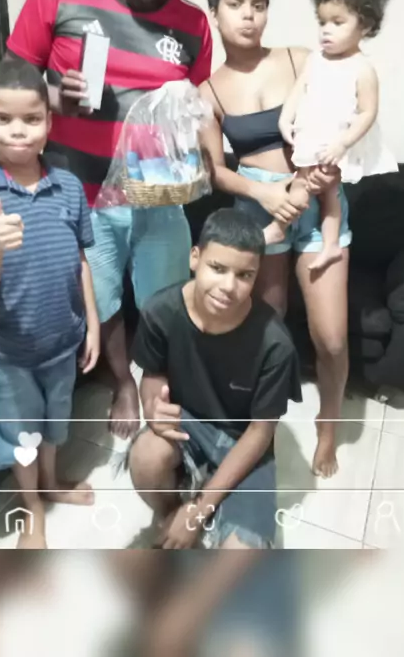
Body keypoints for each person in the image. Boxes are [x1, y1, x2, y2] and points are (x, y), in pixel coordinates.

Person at [5, 0, 212, 440]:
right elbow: (8, 85)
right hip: (81, 197)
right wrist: (56, 100)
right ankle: (122, 383)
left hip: (159, 195)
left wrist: (196, 143)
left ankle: (156, 381)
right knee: (101, 300)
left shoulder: (193, 24)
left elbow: (198, 106)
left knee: (167, 298)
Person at [198, 0, 351, 478]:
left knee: (331, 337)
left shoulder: (299, 60)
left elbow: (338, 128)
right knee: (266, 327)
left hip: (315, 201)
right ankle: (259, 426)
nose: (249, 15)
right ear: (214, 11)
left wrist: (310, 182)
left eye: (259, 5)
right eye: (236, 4)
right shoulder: (208, 92)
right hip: (257, 213)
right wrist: (265, 195)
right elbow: (216, 172)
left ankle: (327, 428)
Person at [0, 60, 100, 549]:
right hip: (7, 353)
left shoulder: (67, 185)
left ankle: (51, 482)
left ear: (48, 121)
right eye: (4, 119)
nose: (18, 130)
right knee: (21, 435)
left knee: (54, 424)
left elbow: (80, 260)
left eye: (31, 118)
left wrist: (93, 323)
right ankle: (32, 507)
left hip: (61, 342)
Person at [128, 208, 301, 550]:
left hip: (242, 441)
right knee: (145, 457)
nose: (228, 287)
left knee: (242, 554)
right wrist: (152, 404)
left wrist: (199, 509)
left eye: (244, 275)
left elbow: (260, 432)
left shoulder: (275, 344)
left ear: (257, 275)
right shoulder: (160, 312)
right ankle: (170, 520)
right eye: (217, 268)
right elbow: (152, 374)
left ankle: (196, 517)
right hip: (189, 422)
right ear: (195, 258)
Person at [265, 0, 398, 270]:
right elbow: (298, 91)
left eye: (337, 23)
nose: (326, 30)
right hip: (311, 136)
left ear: (364, 26)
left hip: (334, 142)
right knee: (315, 188)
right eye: (322, 22)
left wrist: (343, 144)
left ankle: (294, 233)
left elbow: (368, 112)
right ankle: (324, 243)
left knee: (321, 191)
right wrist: (285, 120)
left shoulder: (362, 68)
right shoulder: (315, 59)